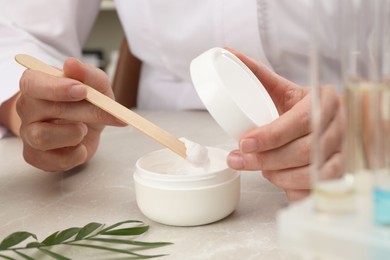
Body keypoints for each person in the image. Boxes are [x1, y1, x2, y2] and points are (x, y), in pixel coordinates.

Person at [0, 0, 342, 201]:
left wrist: (373, 119)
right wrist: (44, 111)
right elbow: (19, 30)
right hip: (153, 126)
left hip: (362, 140)